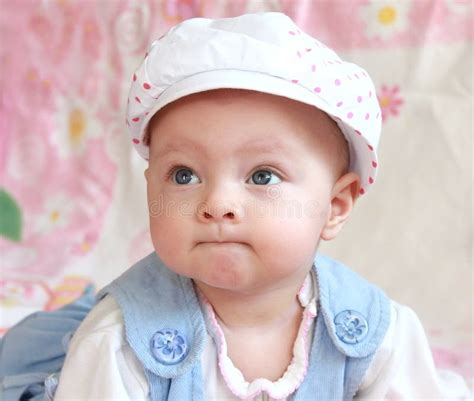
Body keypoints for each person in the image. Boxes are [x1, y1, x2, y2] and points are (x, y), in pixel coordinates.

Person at [1, 12, 470, 401]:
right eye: (184, 175)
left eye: (262, 176)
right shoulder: (120, 343)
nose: (218, 204)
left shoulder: (372, 331)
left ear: (335, 205)